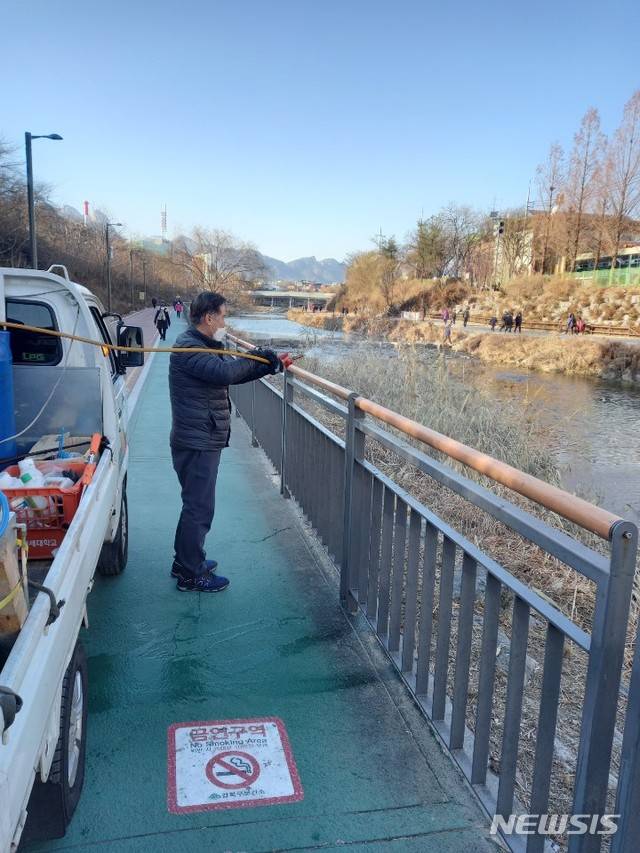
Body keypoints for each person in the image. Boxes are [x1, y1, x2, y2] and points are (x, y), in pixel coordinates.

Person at [169, 291, 292, 593]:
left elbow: (229, 371)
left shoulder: (203, 345)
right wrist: (264, 359)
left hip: (200, 435)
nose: (225, 321)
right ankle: (190, 574)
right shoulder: (190, 349)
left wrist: (268, 364)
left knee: (194, 505)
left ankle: (184, 562)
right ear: (209, 318)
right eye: (223, 316)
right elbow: (225, 373)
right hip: (197, 440)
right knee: (199, 508)